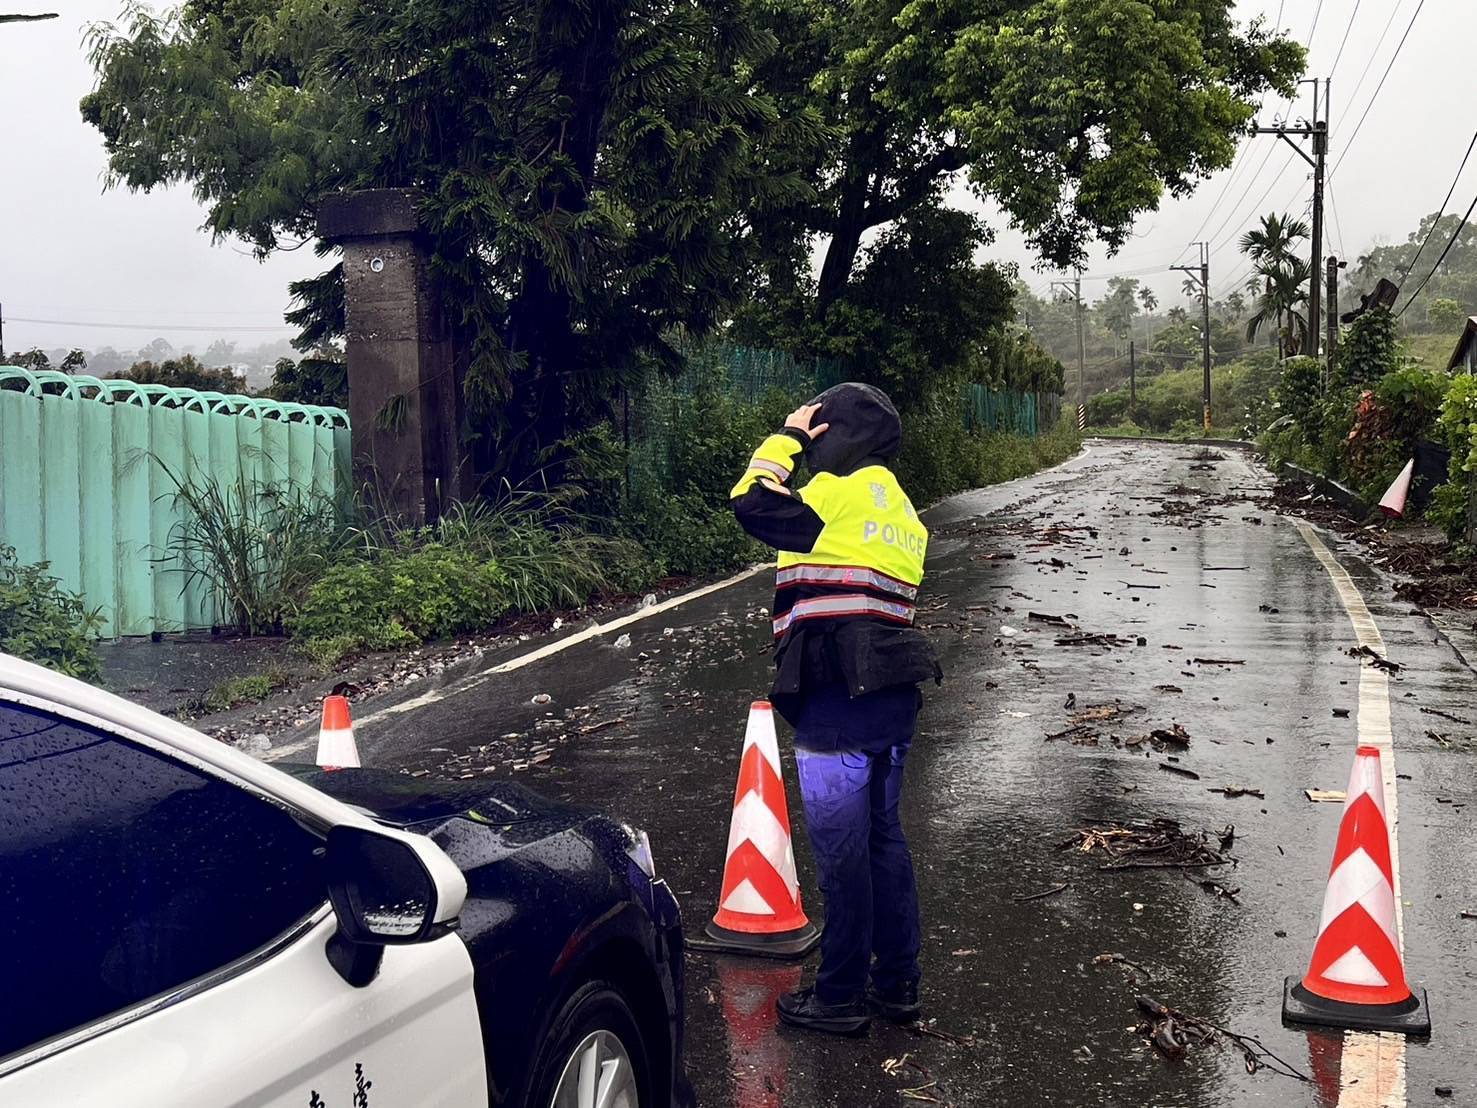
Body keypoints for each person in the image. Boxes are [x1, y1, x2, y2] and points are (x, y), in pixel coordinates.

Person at [730, 381, 941, 1036]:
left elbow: (750, 501)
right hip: (891, 694)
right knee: (883, 839)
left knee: (842, 853)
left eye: (821, 430)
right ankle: (897, 985)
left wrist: (788, 436)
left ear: (833, 434)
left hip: (835, 696)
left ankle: (841, 995)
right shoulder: (903, 510)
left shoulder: (831, 493)